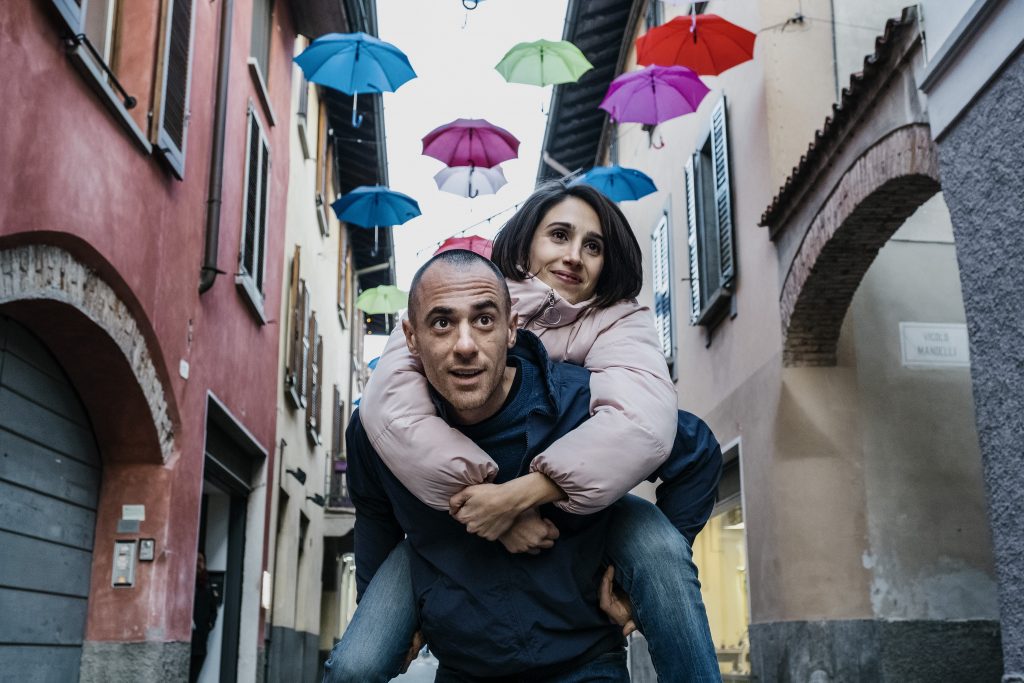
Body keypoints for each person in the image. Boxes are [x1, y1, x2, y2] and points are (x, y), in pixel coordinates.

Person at [333, 181, 722, 680]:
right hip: (454, 545)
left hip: (591, 497)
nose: (575, 257)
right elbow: (391, 412)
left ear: (509, 328)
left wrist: (524, 496)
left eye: (593, 246)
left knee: (658, 548)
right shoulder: (466, 290)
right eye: (559, 235)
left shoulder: (614, 332)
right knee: (355, 664)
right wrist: (483, 501)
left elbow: (649, 423)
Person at [341, 251, 632, 680]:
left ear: (512, 327)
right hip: (464, 667)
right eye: (442, 323)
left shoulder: (581, 402)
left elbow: (692, 454)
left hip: (586, 663)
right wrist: (395, 622)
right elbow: (374, 517)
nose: (464, 345)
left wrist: (641, 587)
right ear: (410, 336)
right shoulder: (376, 432)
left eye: (483, 320)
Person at [190, 551, 219, 682]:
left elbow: (213, 610)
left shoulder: (207, 585)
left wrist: (210, 624)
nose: (198, 564)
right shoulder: (187, 582)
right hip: (188, 639)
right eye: (196, 560)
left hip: (201, 641)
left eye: (200, 561)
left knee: (194, 677)